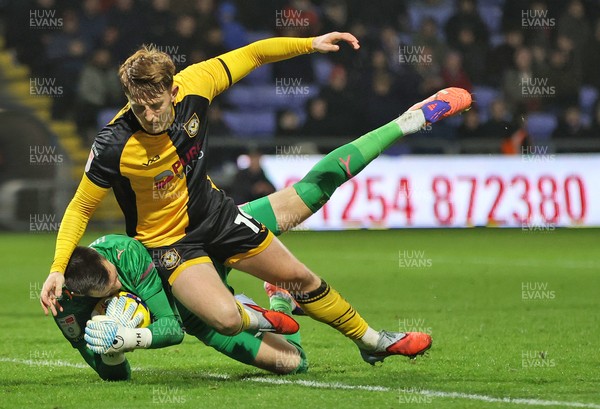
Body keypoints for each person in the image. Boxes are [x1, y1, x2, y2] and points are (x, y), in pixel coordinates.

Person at [41, 31, 471, 364]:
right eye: (139, 108)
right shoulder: (114, 144)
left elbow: (255, 54)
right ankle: (267, 308)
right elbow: (81, 206)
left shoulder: (195, 85)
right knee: (273, 350)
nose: (150, 117)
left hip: (215, 217)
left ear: (173, 91)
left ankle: (372, 341)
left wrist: (310, 44)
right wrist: (58, 268)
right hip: (170, 248)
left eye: (156, 105)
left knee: (307, 242)